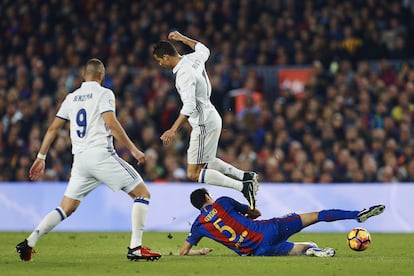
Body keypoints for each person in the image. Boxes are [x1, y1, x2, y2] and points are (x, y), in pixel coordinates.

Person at [15, 58, 161, 262]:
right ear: (102, 75)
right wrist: (134, 149)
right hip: (101, 154)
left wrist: (41, 157)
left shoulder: (71, 97)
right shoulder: (104, 93)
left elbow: (53, 128)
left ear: (84, 75)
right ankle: (136, 248)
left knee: (66, 208)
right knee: (142, 194)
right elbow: (110, 122)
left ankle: (29, 242)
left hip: (80, 160)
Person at [153, 31, 259, 210]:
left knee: (193, 173)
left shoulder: (183, 74)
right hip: (211, 116)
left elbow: (189, 105)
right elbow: (204, 49)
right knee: (207, 162)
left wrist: (172, 130)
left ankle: (243, 186)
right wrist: (182, 38)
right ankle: (245, 176)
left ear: (165, 56)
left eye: (159, 60)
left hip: (203, 123)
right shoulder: (192, 59)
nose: (160, 64)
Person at [179, 188, 385, 257]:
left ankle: (314, 251)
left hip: (257, 251)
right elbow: (256, 212)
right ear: (207, 196)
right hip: (268, 229)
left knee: (309, 246)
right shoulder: (223, 202)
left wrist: (199, 251)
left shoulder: (198, 225)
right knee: (315, 216)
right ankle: (357, 215)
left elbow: (183, 252)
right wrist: (248, 215)